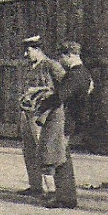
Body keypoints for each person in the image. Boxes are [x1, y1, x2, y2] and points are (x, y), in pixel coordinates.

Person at [42, 41, 93, 209]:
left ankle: (65, 198)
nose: (61, 61)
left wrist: (40, 103)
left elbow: (60, 96)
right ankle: (66, 196)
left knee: (60, 158)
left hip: (67, 120)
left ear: (69, 55)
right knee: (63, 156)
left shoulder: (73, 75)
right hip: (76, 119)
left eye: (62, 57)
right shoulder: (85, 73)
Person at [18, 35, 66, 199]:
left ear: (38, 49)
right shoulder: (29, 67)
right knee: (29, 150)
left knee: (45, 151)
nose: (26, 55)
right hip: (27, 113)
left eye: (28, 50)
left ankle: (51, 191)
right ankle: (35, 186)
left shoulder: (52, 66)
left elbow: (65, 88)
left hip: (43, 115)